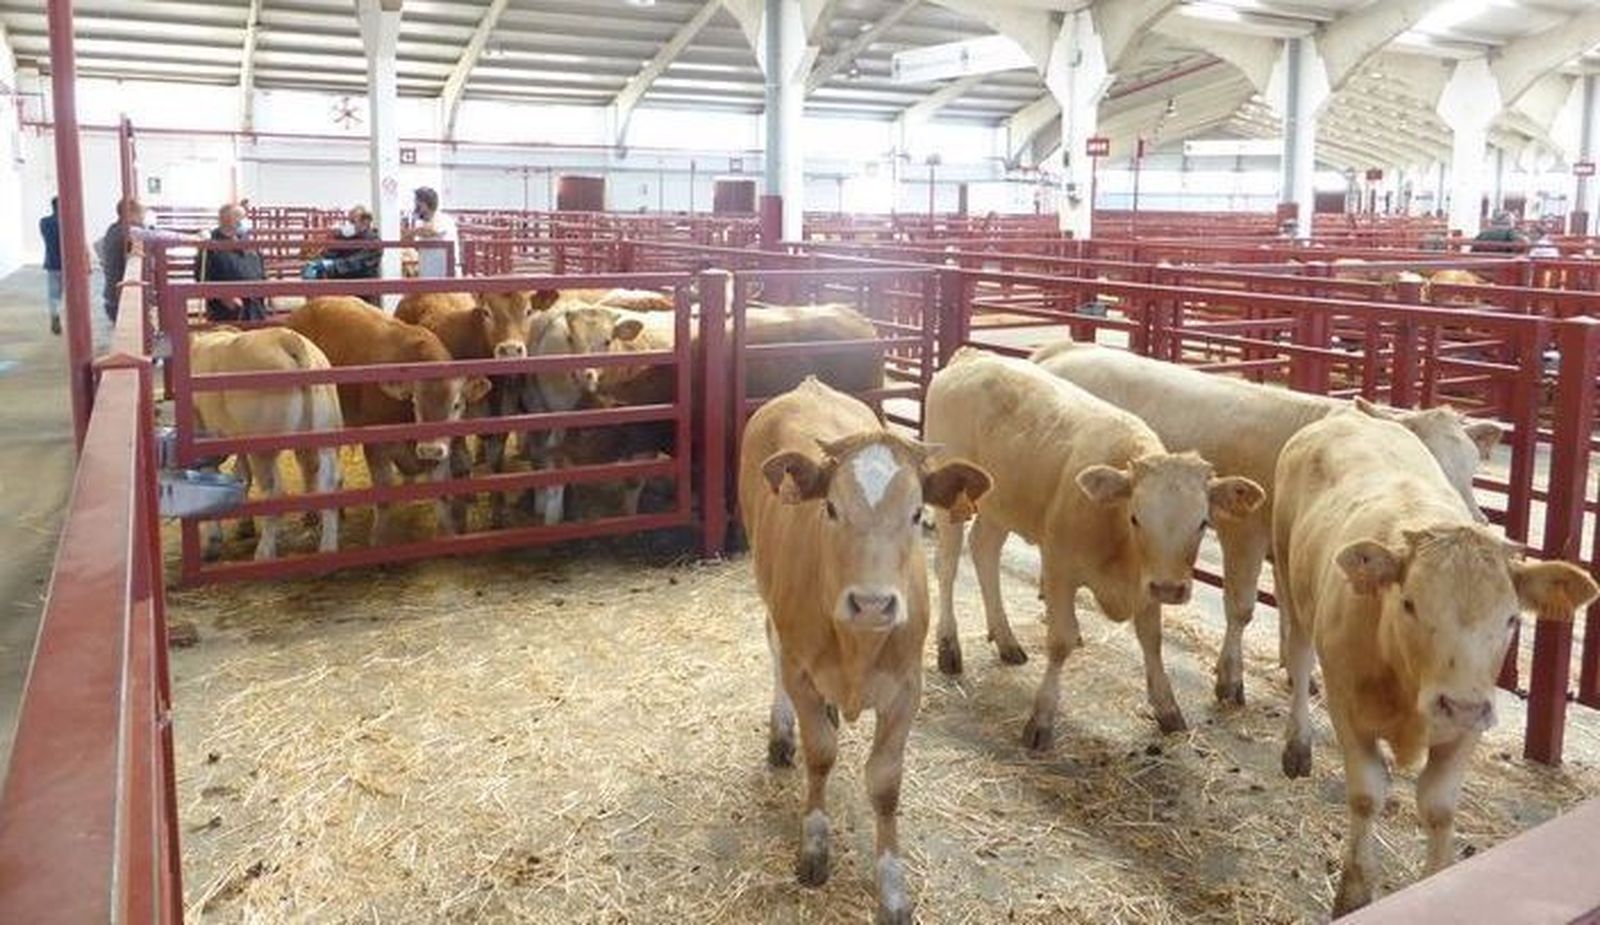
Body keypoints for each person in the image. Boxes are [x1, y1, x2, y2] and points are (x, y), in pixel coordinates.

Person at [196, 203, 267, 322]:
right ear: (228, 220)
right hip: (228, 311)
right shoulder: (210, 245)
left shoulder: (250, 244)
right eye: (241, 217)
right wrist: (224, 297)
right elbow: (202, 277)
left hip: (255, 307)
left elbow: (261, 271)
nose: (245, 221)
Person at [303, 205, 382, 282]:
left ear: (365, 222)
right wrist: (317, 261)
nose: (351, 225)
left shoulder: (374, 242)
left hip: (363, 286)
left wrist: (332, 266)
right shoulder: (346, 237)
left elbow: (357, 263)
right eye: (349, 221)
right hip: (341, 283)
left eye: (353, 222)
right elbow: (330, 253)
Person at [407, 186, 457, 278]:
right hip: (427, 270)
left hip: (445, 272)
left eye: (418, 203)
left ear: (425, 204)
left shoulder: (443, 220)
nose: (415, 206)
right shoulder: (420, 222)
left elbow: (431, 231)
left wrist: (411, 232)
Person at [39, 197, 61, 335]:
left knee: (53, 295)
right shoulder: (67, 222)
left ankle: (55, 316)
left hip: (51, 263)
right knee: (68, 296)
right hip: (68, 264)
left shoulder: (44, 222)